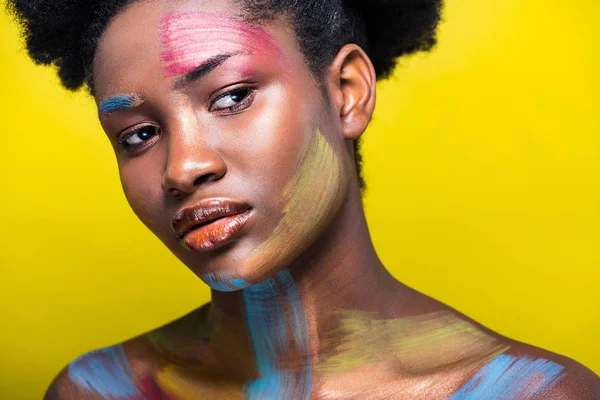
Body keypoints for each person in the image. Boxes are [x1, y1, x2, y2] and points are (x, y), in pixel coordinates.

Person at [7, 0, 600, 398]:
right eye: (139, 134)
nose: (183, 168)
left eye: (233, 97)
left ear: (346, 93)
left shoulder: (524, 391)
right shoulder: (102, 390)